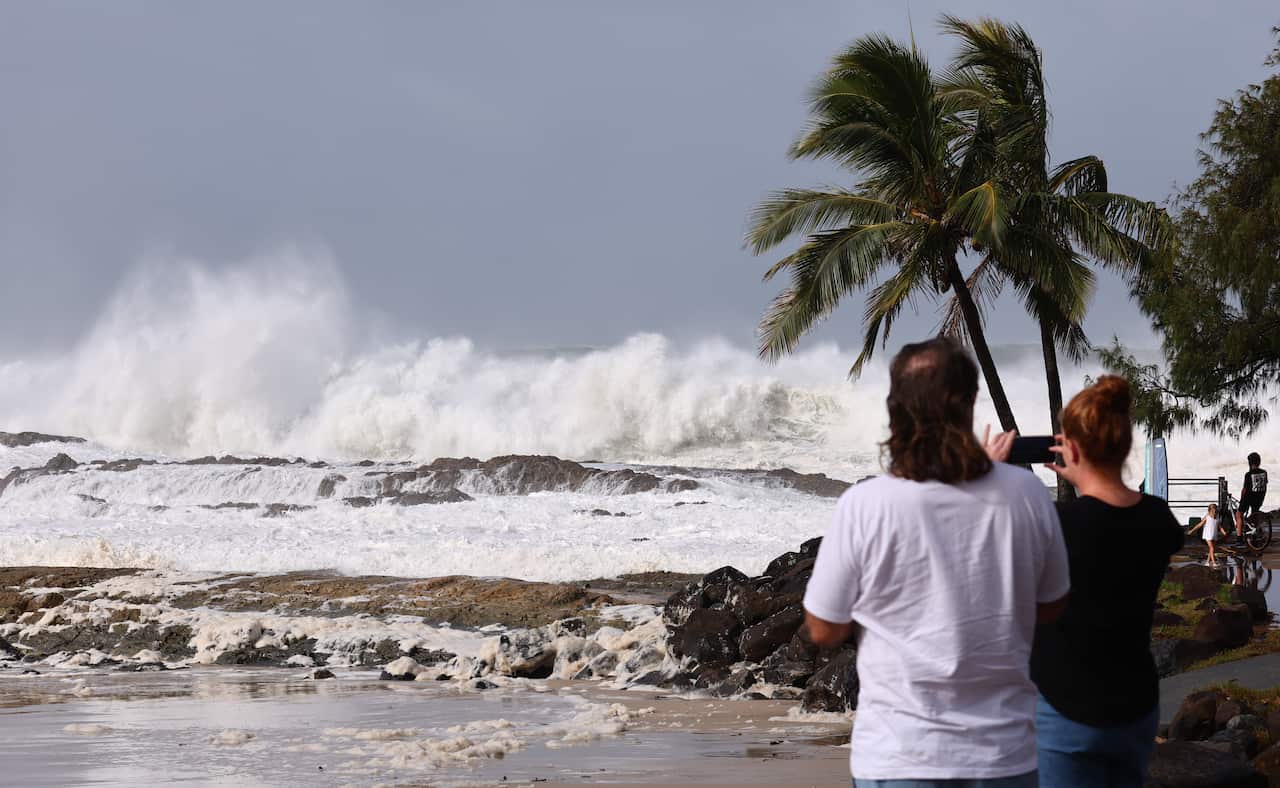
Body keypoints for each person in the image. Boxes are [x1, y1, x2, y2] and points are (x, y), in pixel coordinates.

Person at [802, 337, 1070, 788]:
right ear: (969, 406)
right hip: (1002, 756)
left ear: (895, 411)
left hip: (899, 755)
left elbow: (824, 629)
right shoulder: (1025, 495)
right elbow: (1051, 606)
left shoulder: (865, 505)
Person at [1032, 376, 1185, 788]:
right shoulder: (1159, 520)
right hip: (1135, 704)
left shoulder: (1056, 526)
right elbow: (1115, 518)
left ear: (1072, 449)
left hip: (1066, 709)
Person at [1235, 452, 1268, 542]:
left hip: (1249, 498)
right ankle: (1255, 536)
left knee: (1239, 514)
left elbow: (1244, 490)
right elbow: (1265, 485)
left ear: (1250, 463)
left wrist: (1242, 500)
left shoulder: (1248, 474)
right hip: (1260, 497)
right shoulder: (1264, 472)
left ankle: (1239, 539)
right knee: (1254, 516)